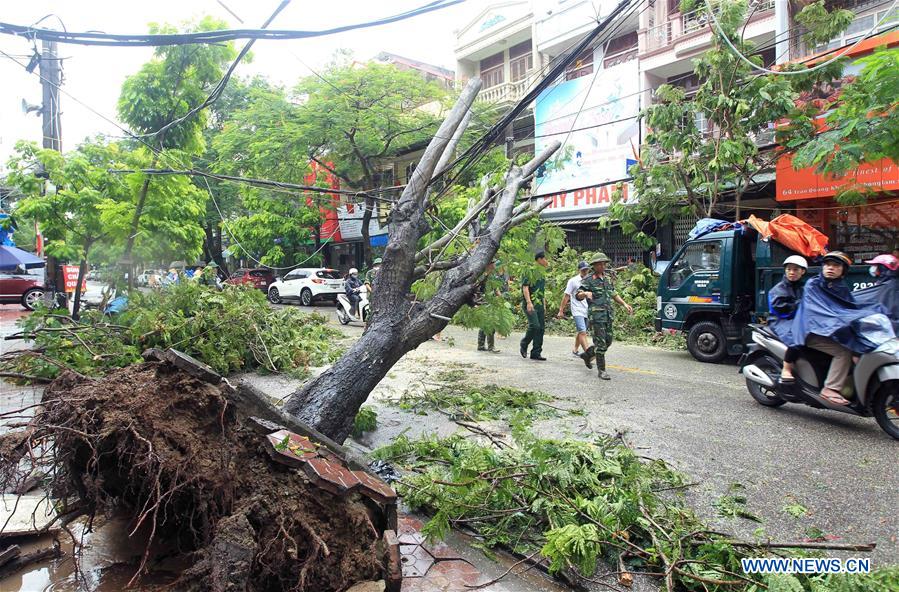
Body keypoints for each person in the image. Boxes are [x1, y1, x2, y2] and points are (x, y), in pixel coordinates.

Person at [799, 251, 857, 405]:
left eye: (836, 265)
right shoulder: (813, 284)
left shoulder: (842, 288)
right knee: (844, 352)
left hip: (831, 331)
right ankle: (830, 388)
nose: (830, 268)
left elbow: (850, 309)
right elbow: (817, 311)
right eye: (827, 265)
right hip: (811, 331)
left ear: (843, 270)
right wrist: (838, 322)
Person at [576, 253, 634, 380]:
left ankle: (588, 355)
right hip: (596, 317)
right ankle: (601, 370)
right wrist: (585, 293)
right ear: (594, 266)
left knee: (608, 341)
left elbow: (613, 294)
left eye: (604, 263)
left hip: (608, 315)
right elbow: (578, 294)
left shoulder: (607, 279)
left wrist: (625, 304)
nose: (603, 266)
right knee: (601, 344)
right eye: (600, 264)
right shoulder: (588, 280)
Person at [767, 255, 808, 382]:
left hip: (799, 319)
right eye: (789, 269)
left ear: (803, 271)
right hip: (781, 320)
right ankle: (787, 369)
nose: (791, 272)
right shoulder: (778, 289)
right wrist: (799, 305)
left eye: (795, 269)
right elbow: (779, 309)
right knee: (796, 338)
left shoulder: (804, 287)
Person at [557, 261, 592, 367]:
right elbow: (566, 296)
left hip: (587, 309)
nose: (585, 271)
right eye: (583, 270)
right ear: (579, 270)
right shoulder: (573, 281)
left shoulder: (590, 280)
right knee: (582, 332)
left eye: (587, 269)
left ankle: (575, 350)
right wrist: (561, 310)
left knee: (582, 331)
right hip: (577, 310)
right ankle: (588, 354)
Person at [520, 252, 549, 361]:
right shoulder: (530, 271)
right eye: (546, 259)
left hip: (539, 304)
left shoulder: (542, 273)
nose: (547, 262)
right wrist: (528, 302)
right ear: (540, 260)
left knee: (541, 328)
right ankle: (524, 342)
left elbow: (541, 291)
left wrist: (544, 304)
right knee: (535, 325)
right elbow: (525, 287)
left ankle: (536, 352)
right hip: (530, 303)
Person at [476, 260, 501, 353]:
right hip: (484, 300)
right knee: (487, 323)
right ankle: (487, 346)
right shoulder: (483, 276)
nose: (494, 265)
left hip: (492, 301)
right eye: (493, 263)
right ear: (488, 265)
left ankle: (483, 345)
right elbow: (478, 289)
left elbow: (496, 287)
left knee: (489, 323)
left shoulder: (493, 275)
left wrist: (499, 296)